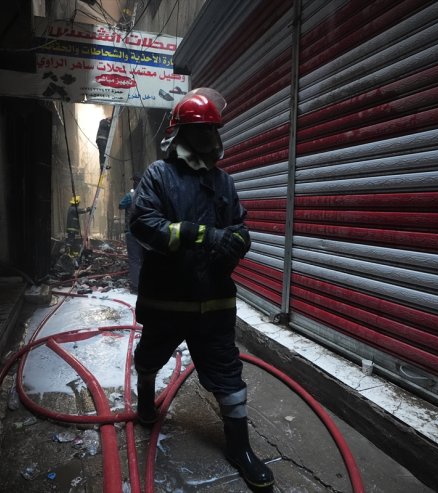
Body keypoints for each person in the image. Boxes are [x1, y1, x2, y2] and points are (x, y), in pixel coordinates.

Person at [129, 88, 274, 488]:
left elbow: (240, 226)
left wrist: (237, 242)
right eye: (200, 131)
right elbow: (144, 224)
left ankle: (240, 448)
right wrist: (201, 235)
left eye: (213, 130)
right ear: (180, 135)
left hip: (214, 301)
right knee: (151, 356)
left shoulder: (224, 182)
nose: (209, 138)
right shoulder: (159, 176)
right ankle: (145, 393)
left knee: (228, 373)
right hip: (167, 300)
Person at [118, 175, 144, 293]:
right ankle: (146, 284)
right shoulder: (148, 194)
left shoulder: (130, 195)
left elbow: (120, 205)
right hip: (146, 233)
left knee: (134, 259)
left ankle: (135, 286)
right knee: (144, 259)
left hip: (132, 231)